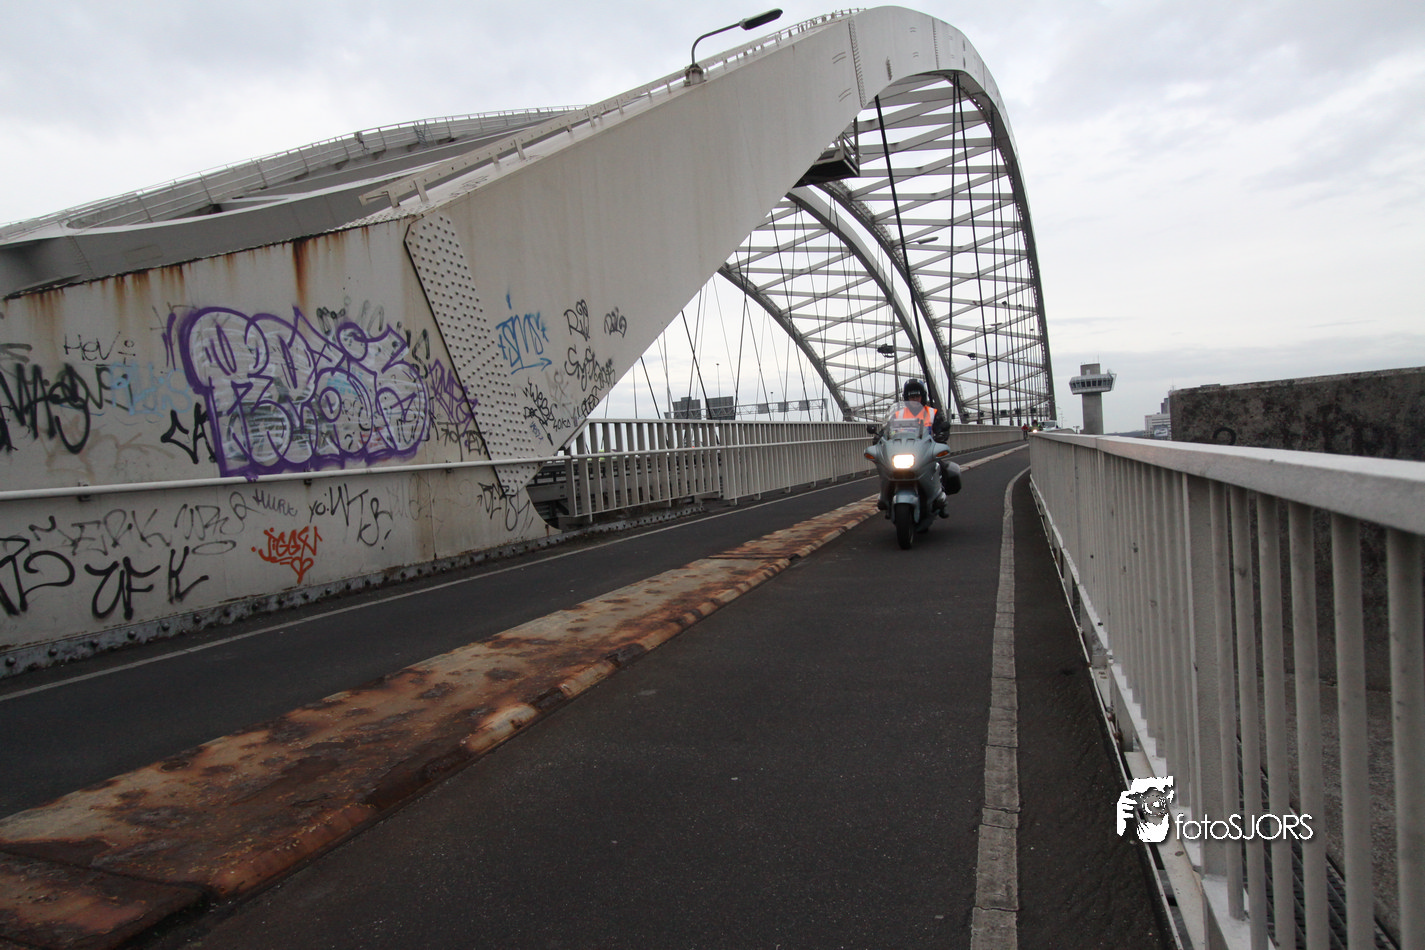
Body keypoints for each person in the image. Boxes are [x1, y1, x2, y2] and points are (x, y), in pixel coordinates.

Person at [884, 379, 957, 509]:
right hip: (903, 450)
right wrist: (880, 436)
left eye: (917, 396)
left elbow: (940, 428)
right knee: (886, 469)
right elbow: (887, 430)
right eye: (911, 396)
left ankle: (940, 495)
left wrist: (942, 434)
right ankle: (885, 498)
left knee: (941, 467)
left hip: (926, 451)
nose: (914, 399)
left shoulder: (932, 413)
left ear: (922, 397)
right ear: (906, 398)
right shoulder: (898, 415)